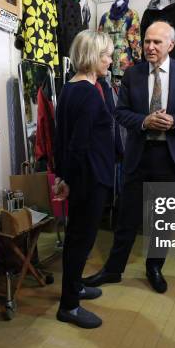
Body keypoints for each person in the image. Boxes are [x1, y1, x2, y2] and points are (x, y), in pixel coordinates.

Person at [83, 20, 175, 293]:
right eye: (147, 41)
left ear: (171, 45)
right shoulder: (132, 74)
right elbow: (121, 112)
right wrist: (144, 121)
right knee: (127, 219)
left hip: (172, 159)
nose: (149, 47)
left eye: (157, 42)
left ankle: (154, 267)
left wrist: (174, 121)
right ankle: (114, 270)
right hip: (139, 157)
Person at [53, 30, 116, 329]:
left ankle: (74, 287)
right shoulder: (90, 94)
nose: (111, 60)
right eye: (106, 55)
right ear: (92, 56)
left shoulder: (70, 88)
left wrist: (63, 176)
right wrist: (70, 180)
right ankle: (69, 306)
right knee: (82, 240)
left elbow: (60, 139)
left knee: (76, 238)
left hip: (81, 177)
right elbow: (77, 144)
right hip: (90, 179)